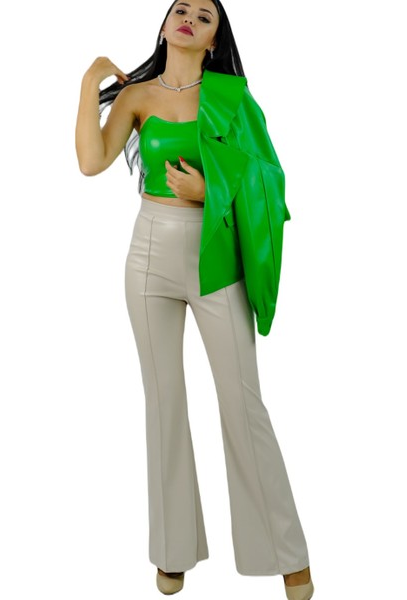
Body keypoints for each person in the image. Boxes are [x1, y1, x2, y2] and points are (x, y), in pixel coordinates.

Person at [75, 1, 314, 598]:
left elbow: (269, 177)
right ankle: (172, 549)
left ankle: (286, 553)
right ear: (164, 26)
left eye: (204, 17)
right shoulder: (137, 97)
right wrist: (88, 84)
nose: (189, 17)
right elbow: (91, 162)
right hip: (149, 254)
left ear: (213, 41)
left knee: (242, 403)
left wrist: (212, 189)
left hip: (215, 258)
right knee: (163, 402)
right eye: (180, 9)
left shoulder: (231, 97)